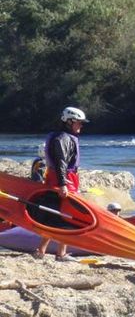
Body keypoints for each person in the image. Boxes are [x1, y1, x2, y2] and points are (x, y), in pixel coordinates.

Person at [34, 107, 88, 262]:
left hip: (61, 178)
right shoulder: (63, 138)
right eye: (79, 122)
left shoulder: (63, 137)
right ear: (69, 122)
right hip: (63, 179)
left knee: (54, 213)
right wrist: (63, 183)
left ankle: (41, 251)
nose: (81, 126)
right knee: (67, 216)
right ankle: (61, 254)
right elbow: (60, 162)